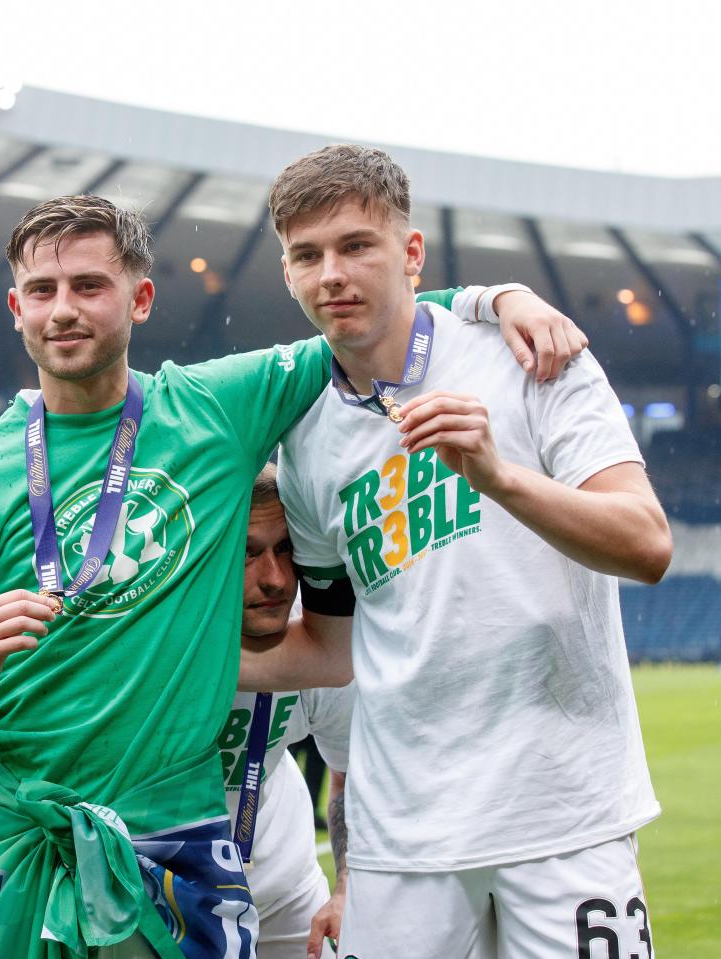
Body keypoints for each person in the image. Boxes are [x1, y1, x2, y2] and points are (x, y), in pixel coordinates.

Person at [0, 193, 585, 959]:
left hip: (175, 831)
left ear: (139, 298)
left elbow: (366, 320)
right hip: (23, 837)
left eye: (90, 286)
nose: (64, 310)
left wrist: (496, 297)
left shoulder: (215, 407)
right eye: (43, 292)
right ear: (16, 307)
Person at [240, 144, 673, 958]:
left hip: (561, 815)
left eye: (356, 245)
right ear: (289, 275)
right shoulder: (307, 441)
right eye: (307, 255)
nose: (332, 272)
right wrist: (139, 656)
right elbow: (332, 652)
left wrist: (498, 477)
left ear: (410, 254)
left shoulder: (532, 357)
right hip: (402, 843)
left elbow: (647, 544)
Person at [225, 464, 353, 959]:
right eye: (247, 553)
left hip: (285, 890)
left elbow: (351, 771)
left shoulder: (320, 639)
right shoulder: (148, 634)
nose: (276, 579)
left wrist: (346, 886)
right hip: (157, 892)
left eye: (287, 549)